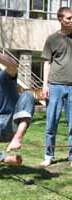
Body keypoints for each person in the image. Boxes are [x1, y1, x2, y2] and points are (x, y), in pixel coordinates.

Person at [41, 7, 72, 167]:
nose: (71, 21)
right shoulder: (52, 39)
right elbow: (47, 63)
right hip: (55, 87)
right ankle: (49, 155)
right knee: (51, 122)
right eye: (69, 18)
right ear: (60, 19)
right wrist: (45, 85)